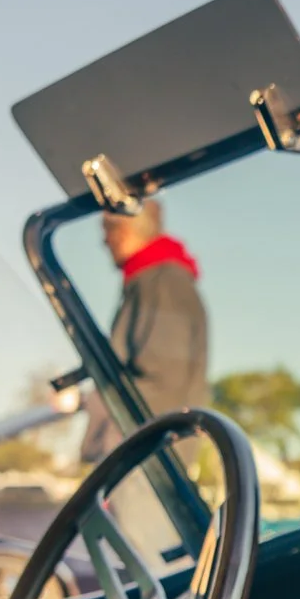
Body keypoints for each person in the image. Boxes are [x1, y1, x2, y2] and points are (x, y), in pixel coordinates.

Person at [79, 199, 209, 563]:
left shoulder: (161, 282)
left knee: (155, 567)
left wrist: (94, 403)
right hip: (144, 446)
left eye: (106, 233)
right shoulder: (152, 281)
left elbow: (160, 371)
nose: (103, 243)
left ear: (124, 232)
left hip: (144, 448)